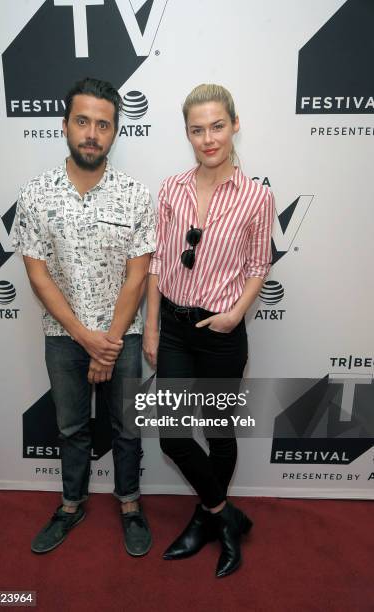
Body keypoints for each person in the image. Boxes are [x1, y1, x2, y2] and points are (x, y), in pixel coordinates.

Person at [13, 77, 155, 557]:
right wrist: (85, 339)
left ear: (115, 131)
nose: (92, 133)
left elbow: (137, 276)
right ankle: (71, 505)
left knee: (127, 430)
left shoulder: (136, 195)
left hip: (125, 336)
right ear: (65, 125)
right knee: (72, 428)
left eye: (103, 124)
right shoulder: (35, 195)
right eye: (83, 122)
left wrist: (108, 341)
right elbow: (37, 275)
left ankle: (131, 505)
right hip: (63, 337)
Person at [143, 83, 274, 577]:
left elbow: (260, 264)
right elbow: (158, 262)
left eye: (217, 126)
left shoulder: (258, 196)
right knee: (174, 435)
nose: (208, 138)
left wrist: (238, 312)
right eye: (197, 130)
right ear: (187, 134)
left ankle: (203, 518)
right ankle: (226, 516)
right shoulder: (171, 189)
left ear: (234, 124)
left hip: (221, 332)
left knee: (219, 433)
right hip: (174, 328)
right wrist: (152, 328)